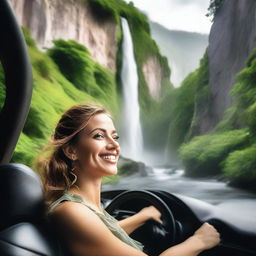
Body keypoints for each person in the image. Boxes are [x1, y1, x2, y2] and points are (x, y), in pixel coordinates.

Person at [37, 103, 221, 256]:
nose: (114, 144)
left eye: (115, 136)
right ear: (71, 151)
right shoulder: (71, 211)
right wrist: (199, 241)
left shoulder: (85, 206)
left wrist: (141, 217)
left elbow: (103, 235)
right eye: (99, 136)